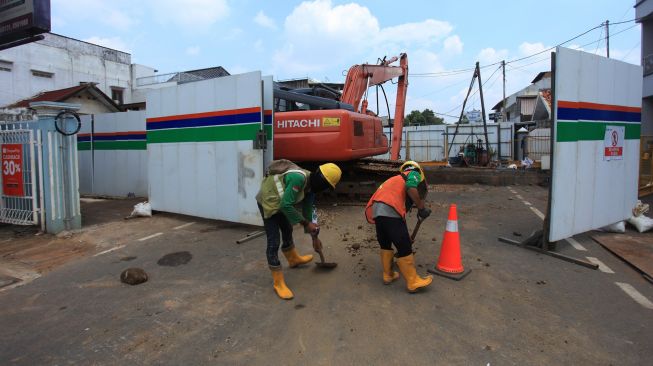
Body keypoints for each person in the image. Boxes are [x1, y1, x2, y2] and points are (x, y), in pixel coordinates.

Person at [256, 161, 342, 300]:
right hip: (268, 200)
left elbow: (307, 212)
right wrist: (306, 224)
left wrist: (314, 237)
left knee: (287, 229)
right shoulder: (299, 179)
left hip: (281, 202)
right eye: (326, 185)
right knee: (274, 241)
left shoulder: (311, 188)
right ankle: (278, 283)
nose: (325, 189)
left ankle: (293, 259)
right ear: (320, 179)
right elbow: (286, 205)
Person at [364, 161, 433, 293]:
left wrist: (403, 234)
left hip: (377, 210)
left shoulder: (394, 179)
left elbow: (398, 213)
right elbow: (411, 186)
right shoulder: (414, 173)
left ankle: (388, 275)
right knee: (404, 245)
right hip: (390, 209)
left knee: (385, 242)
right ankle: (413, 281)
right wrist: (421, 208)